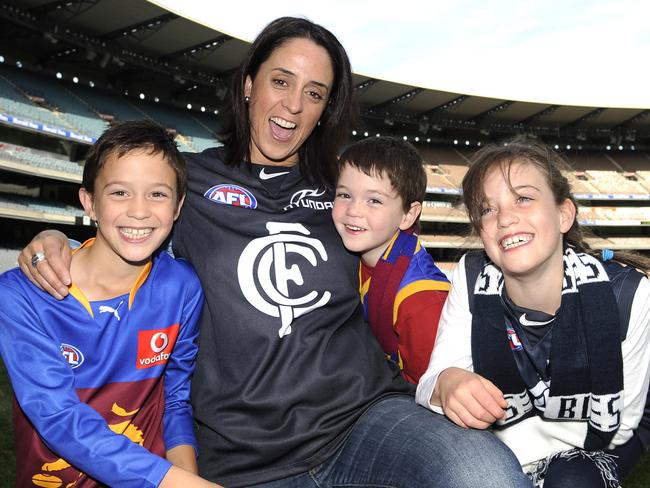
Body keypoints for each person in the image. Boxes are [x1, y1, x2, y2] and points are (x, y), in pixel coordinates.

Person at [18, 17, 532, 488]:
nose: (293, 105)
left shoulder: (343, 190)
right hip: (241, 455)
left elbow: (408, 272)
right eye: (280, 81)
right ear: (248, 85)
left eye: (314, 93)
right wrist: (56, 241)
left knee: (484, 472)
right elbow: (127, 217)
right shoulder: (188, 181)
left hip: (363, 421)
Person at [416, 137, 650, 487]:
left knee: (570, 480)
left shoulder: (628, 293)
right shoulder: (469, 278)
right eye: (487, 209)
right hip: (523, 430)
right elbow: (428, 386)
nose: (505, 218)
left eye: (523, 199)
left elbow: (620, 424)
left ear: (563, 214)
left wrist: (513, 464)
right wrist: (449, 383)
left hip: (607, 432)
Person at [0, 121, 219, 488]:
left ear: (178, 206)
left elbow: (175, 402)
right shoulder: (20, 294)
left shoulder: (181, 287)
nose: (139, 211)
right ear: (89, 202)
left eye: (158, 194)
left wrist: (188, 479)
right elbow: (58, 419)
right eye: (119, 192)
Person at [332, 137, 449, 383]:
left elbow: (430, 386)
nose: (354, 210)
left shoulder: (421, 299)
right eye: (344, 195)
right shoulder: (346, 255)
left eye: (374, 200)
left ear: (408, 215)